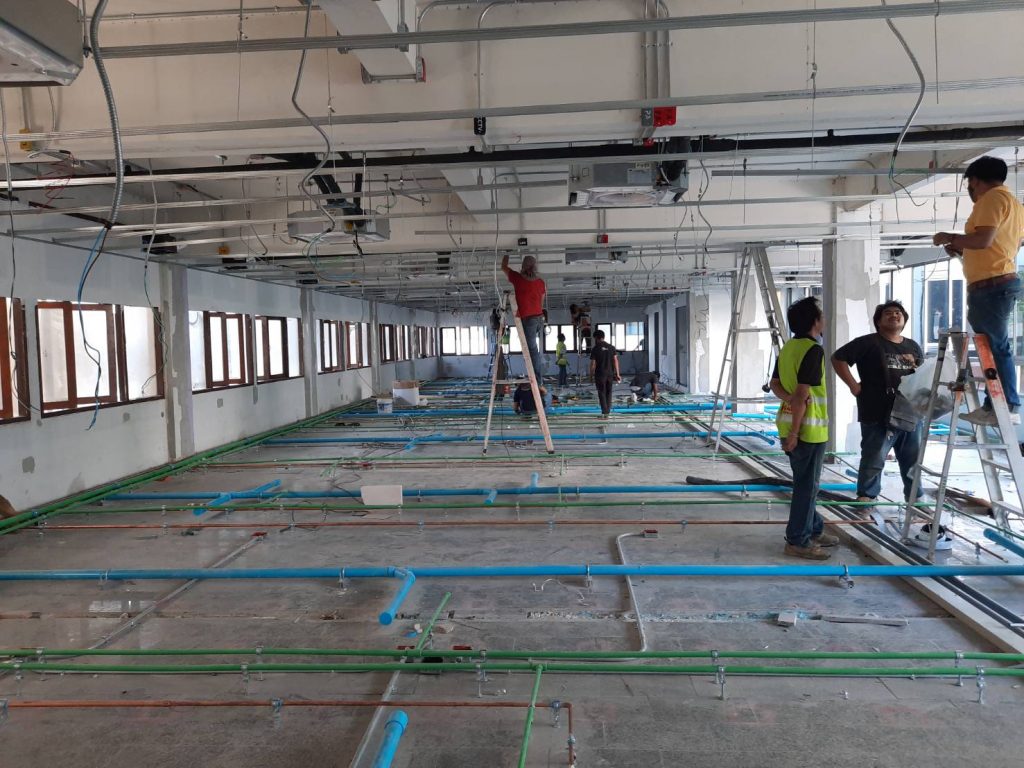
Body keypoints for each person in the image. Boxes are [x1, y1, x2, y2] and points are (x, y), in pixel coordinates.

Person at [933, 156, 1024, 426]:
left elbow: (983, 240)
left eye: (969, 185)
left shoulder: (991, 199)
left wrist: (949, 237)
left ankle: (1005, 405)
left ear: (974, 180)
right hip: (996, 282)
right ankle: (996, 404)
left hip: (991, 285)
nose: (970, 191)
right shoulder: (1014, 204)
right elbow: (999, 246)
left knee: (996, 347)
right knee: (994, 347)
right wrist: (962, 248)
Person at [831, 301, 924, 510]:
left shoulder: (912, 346)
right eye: (888, 313)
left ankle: (915, 498)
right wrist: (854, 386)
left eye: (898, 313)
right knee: (874, 456)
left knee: (912, 459)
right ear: (879, 322)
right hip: (877, 411)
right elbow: (838, 358)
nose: (894, 315)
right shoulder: (868, 343)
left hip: (909, 411)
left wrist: (914, 365)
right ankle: (867, 497)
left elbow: (922, 374)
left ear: (904, 320)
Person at [769, 296, 837, 560]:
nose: (824, 320)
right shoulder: (813, 350)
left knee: (805, 484)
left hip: (788, 423)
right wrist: (795, 434)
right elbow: (801, 395)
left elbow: (775, 385)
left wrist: (789, 402)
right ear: (815, 322)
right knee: (806, 487)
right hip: (807, 431)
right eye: (821, 316)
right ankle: (797, 540)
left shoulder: (788, 348)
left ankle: (814, 528)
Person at [501, 254, 546, 384]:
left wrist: (506, 254)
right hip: (538, 318)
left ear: (523, 266)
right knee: (531, 348)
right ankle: (536, 377)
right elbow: (541, 302)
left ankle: (538, 380)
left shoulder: (518, 279)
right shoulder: (541, 282)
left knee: (532, 350)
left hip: (529, 319)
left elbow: (503, 267)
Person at [589, 328, 621, 417]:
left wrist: (591, 376)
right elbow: (615, 361)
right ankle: (608, 411)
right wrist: (618, 374)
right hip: (610, 374)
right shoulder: (611, 347)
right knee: (609, 392)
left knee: (601, 392)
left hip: (600, 374)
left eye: (595, 338)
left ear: (596, 338)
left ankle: (605, 412)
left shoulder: (595, 348)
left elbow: (593, 364)